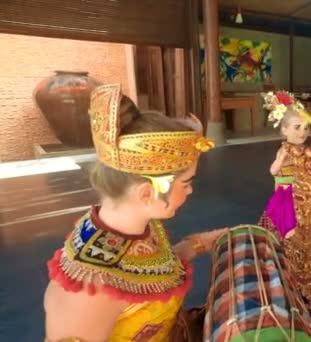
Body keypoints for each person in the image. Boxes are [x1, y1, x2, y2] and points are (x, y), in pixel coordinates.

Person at [43, 83, 228, 341]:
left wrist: (201, 243)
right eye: (186, 183)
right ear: (146, 193)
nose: (190, 191)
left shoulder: (126, 227)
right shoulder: (91, 288)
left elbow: (148, 275)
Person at [258, 90, 311, 239]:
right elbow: (273, 171)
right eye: (297, 127)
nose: (303, 132)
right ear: (284, 130)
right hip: (285, 188)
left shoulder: (305, 150)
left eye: (306, 127)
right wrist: (279, 160)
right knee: (286, 210)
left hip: (301, 187)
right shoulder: (284, 150)